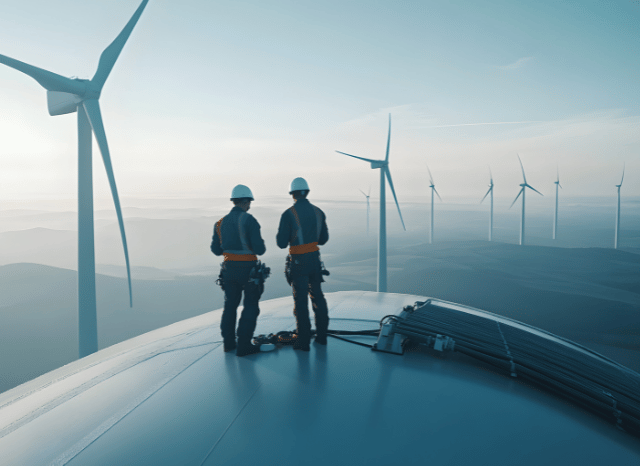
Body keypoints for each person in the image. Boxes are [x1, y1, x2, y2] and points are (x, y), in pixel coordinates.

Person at [211, 184, 266, 356]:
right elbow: (260, 249)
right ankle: (244, 345)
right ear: (246, 201)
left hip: (229, 271)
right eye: (249, 201)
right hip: (248, 271)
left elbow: (216, 250)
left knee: (230, 306)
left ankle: (228, 343)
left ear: (233, 201)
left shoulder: (219, 224)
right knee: (250, 306)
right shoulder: (249, 221)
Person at [276, 177, 329, 351]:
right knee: (318, 297)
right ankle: (322, 337)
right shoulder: (318, 212)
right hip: (315, 259)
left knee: (300, 301)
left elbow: (282, 243)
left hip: (298, 261)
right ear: (307, 192)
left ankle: (303, 341)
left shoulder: (288, 214)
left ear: (292, 194)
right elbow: (323, 239)